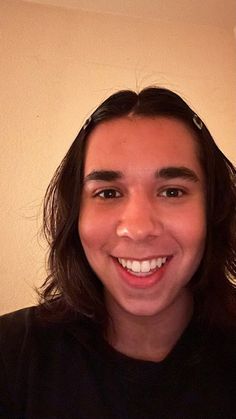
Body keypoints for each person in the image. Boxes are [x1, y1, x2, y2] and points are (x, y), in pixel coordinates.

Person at [0, 87, 235, 419]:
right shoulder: (12, 355)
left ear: (214, 209)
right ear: (75, 214)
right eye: (108, 193)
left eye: (172, 191)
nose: (138, 229)